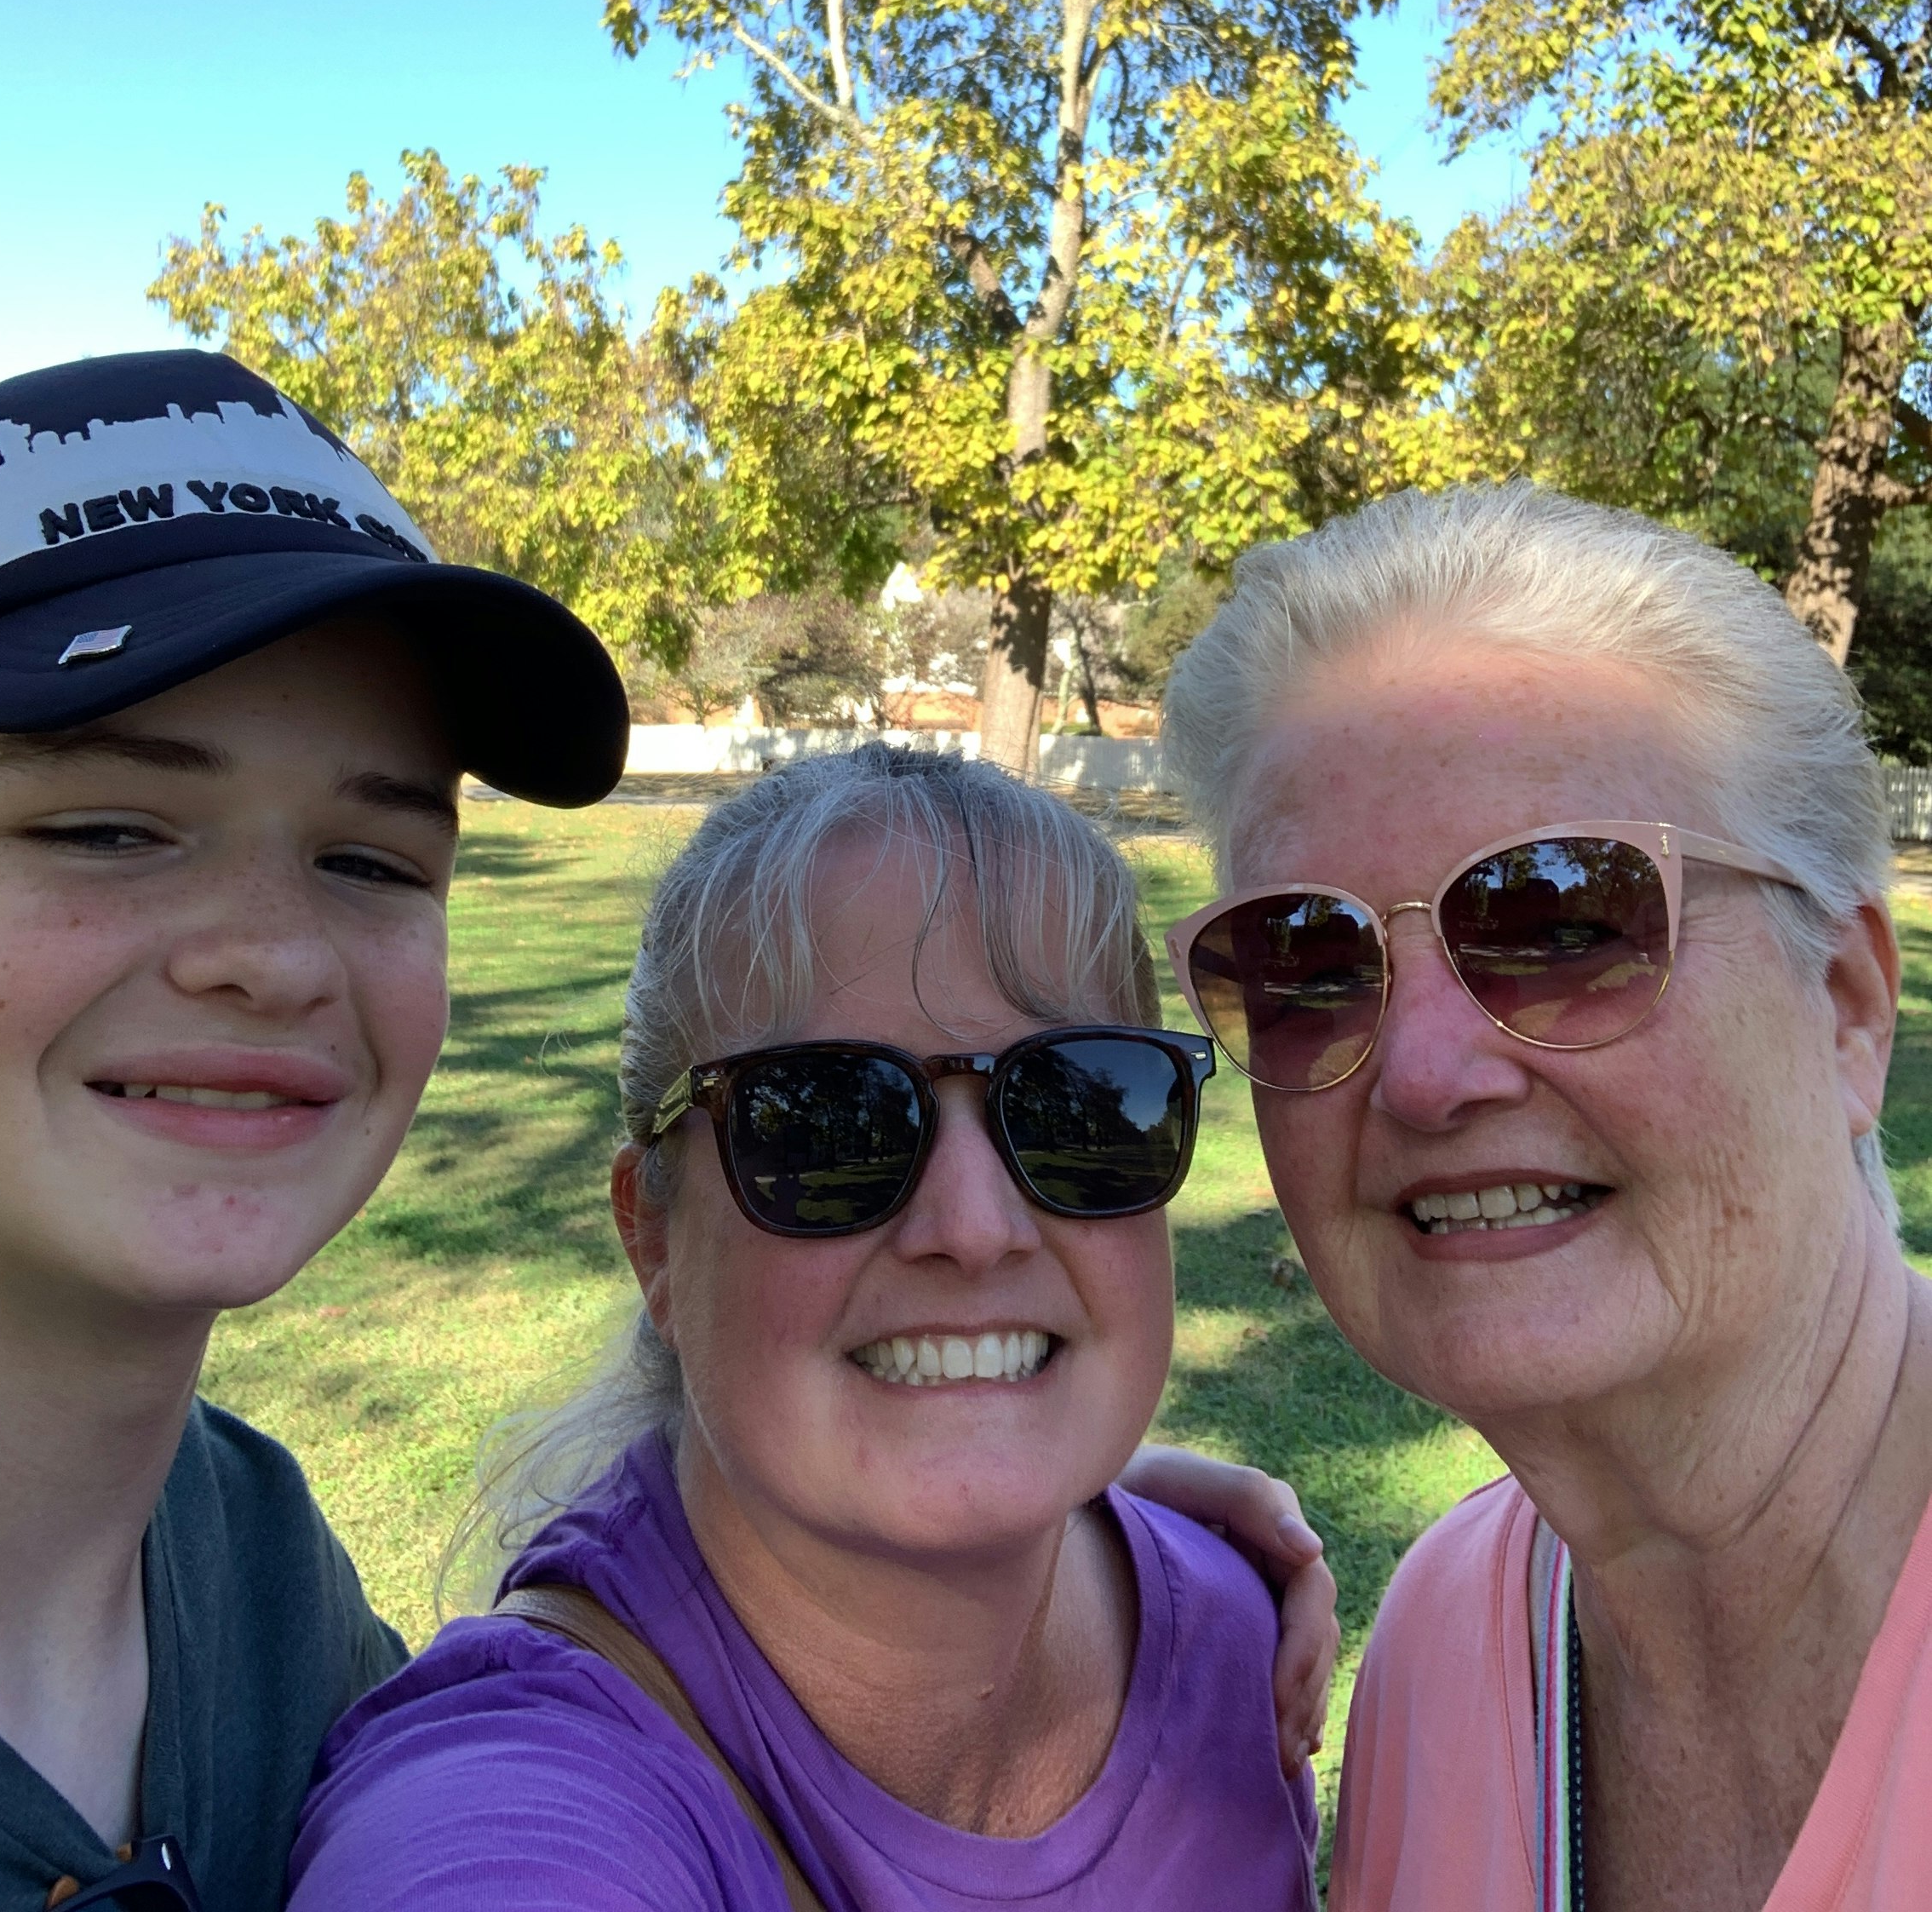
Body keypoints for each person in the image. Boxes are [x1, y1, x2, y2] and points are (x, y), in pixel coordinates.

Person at [286, 746, 1325, 1912]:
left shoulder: (1242, 1640)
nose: (975, 1229)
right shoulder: (515, 1797)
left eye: (1080, 1103)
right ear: (656, 1245)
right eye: (828, 1125)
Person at [1159, 480, 1931, 1912]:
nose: (1423, 1075)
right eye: (1311, 966)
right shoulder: (1446, 1649)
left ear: (1846, 1011)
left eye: (1563, 921)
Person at [0, 348, 628, 1912]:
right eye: (108, 828)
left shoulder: (250, 1554)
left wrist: (980, 1541)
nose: (275, 953)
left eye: (373, 861)